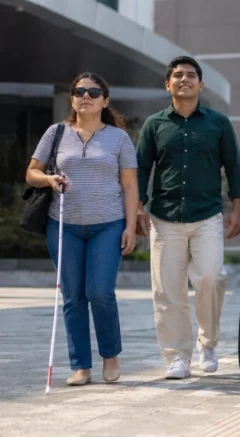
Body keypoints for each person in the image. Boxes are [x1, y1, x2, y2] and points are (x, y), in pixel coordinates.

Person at [136, 56, 240, 379]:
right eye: (177, 75)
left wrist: (237, 209)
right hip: (164, 217)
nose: (184, 79)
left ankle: (207, 343)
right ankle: (177, 357)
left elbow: (234, 166)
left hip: (207, 215)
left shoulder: (218, 123)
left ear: (201, 84)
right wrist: (139, 207)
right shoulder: (154, 125)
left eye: (190, 75)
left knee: (212, 278)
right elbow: (142, 168)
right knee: (167, 289)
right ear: (167, 84)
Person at [25, 72, 138, 386]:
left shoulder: (119, 138)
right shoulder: (56, 133)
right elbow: (31, 173)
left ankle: (111, 356)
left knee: (100, 292)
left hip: (108, 225)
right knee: (73, 297)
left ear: (105, 100)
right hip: (63, 225)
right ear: (72, 98)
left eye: (93, 91)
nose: (85, 96)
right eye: (79, 91)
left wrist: (130, 227)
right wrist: (49, 179)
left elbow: (130, 186)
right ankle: (81, 366)